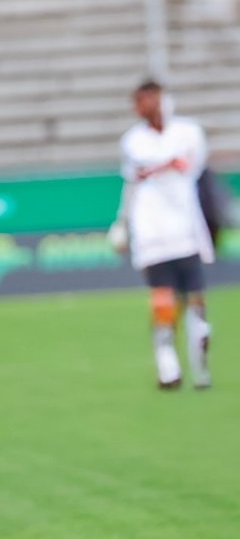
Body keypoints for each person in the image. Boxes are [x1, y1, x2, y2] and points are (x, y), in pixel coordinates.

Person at [115, 79, 213, 390]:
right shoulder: (134, 141)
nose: (142, 107)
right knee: (163, 299)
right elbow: (135, 179)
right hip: (152, 232)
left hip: (185, 228)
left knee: (196, 301)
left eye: (146, 100)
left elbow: (194, 168)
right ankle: (168, 365)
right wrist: (123, 225)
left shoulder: (188, 133)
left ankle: (200, 369)